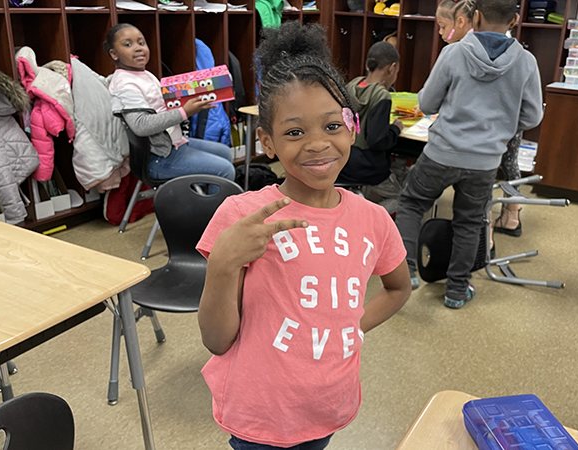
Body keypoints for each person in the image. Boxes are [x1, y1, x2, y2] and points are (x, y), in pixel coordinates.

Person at [195, 22, 411, 450]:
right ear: (267, 141)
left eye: (332, 126)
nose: (317, 144)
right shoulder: (243, 216)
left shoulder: (373, 220)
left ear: (352, 127)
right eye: (295, 132)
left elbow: (398, 287)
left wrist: (350, 325)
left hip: (328, 404)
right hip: (260, 410)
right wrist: (222, 263)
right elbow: (217, 340)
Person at [396, 0, 543, 308]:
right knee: (469, 223)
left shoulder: (454, 53)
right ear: (515, 20)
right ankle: (456, 291)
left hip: (442, 153)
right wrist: (500, 121)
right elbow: (531, 118)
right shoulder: (526, 62)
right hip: (485, 161)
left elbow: (428, 102)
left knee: (411, 203)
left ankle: (406, 273)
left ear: (475, 16)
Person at [436, 0, 524, 238]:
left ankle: (498, 224)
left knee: (492, 172)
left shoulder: (462, 51)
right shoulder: (512, 50)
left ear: (468, 20)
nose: (442, 33)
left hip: (488, 132)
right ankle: (507, 218)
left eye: (444, 27)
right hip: (504, 123)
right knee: (504, 167)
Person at [104, 24, 235, 183]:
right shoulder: (124, 85)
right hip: (159, 157)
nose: (138, 48)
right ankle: (212, 207)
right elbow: (141, 125)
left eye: (141, 43)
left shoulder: (143, 74)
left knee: (225, 153)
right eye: (128, 44)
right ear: (114, 54)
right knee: (225, 170)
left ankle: (201, 199)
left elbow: (163, 105)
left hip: (173, 144)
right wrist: (184, 112)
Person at [338, 41, 405, 214]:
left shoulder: (352, 86)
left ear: (368, 65)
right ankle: (367, 217)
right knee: (404, 199)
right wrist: (395, 129)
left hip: (344, 161)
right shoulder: (382, 95)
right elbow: (377, 140)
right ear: (392, 68)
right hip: (368, 167)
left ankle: (361, 205)